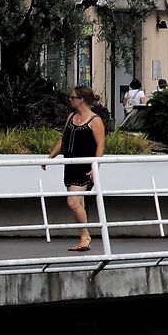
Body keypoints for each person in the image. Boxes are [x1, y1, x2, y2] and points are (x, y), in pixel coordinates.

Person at [55, 87, 106, 253]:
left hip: (84, 166)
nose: (70, 100)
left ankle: (85, 236)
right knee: (79, 203)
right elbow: (63, 140)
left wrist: (95, 166)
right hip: (70, 165)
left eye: (72, 98)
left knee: (72, 202)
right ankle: (83, 237)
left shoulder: (95, 120)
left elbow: (100, 146)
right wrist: (50, 158)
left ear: (81, 100)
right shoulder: (71, 117)